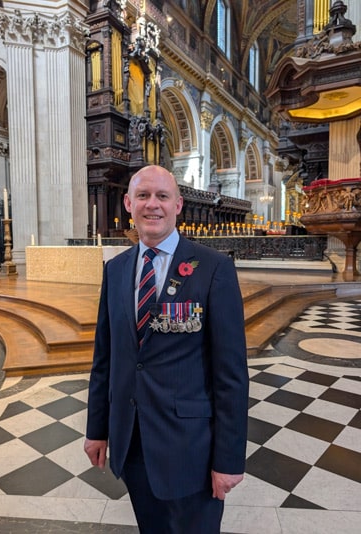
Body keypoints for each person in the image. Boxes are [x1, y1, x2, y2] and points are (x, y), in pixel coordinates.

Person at [84, 165, 249, 533]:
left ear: (178, 205)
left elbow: (232, 376)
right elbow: (105, 359)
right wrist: (97, 429)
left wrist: (228, 459)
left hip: (191, 449)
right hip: (134, 443)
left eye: (162, 196)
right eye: (143, 196)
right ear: (128, 203)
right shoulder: (116, 269)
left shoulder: (213, 268)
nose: (152, 205)